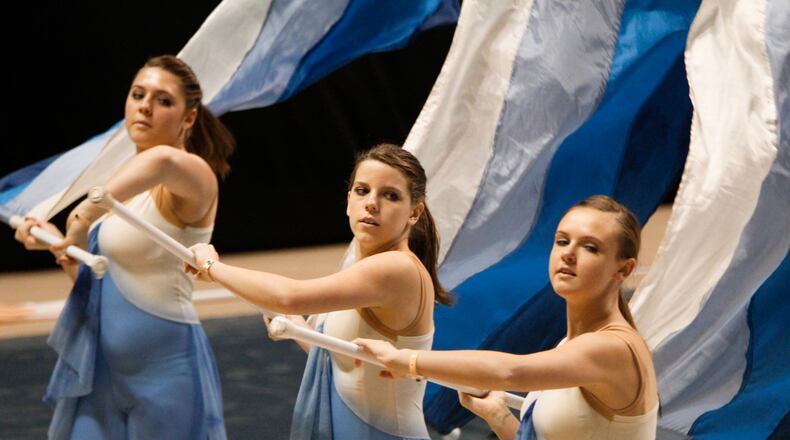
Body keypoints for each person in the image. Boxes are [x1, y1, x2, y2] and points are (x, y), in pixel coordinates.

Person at [15, 55, 234, 440]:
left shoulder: (193, 175)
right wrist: (59, 244)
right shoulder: (118, 195)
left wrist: (82, 214)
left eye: (163, 100)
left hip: (167, 376)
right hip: (100, 375)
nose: (145, 106)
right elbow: (97, 282)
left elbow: (163, 160)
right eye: (138, 94)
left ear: (189, 119)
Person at [189, 143, 452, 440]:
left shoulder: (396, 269)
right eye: (362, 191)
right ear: (348, 201)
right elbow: (334, 356)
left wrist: (212, 267)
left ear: (414, 213)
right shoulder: (360, 267)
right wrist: (296, 326)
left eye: (390, 195)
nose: (372, 203)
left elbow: (289, 296)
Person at [355, 195, 659, 440]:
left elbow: (510, 372)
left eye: (590, 247)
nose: (569, 253)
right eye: (563, 241)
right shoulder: (570, 343)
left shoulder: (612, 348)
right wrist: (498, 418)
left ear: (624, 269)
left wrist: (408, 360)